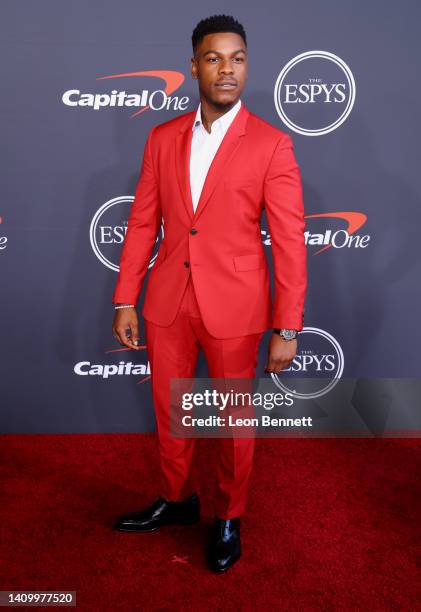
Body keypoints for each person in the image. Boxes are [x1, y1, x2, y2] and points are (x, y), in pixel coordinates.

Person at [111, 14, 307, 572]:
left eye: (238, 58)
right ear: (193, 65)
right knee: (172, 413)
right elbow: (143, 224)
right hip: (169, 301)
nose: (227, 69)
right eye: (215, 58)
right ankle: (177, 501)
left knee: (232, 421)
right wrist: (126, 297)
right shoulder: (161, 138)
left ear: (248, 65)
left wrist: (286, 326)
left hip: (238, 305)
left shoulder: (272, 144)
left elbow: (291, 243)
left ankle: (228, 516)